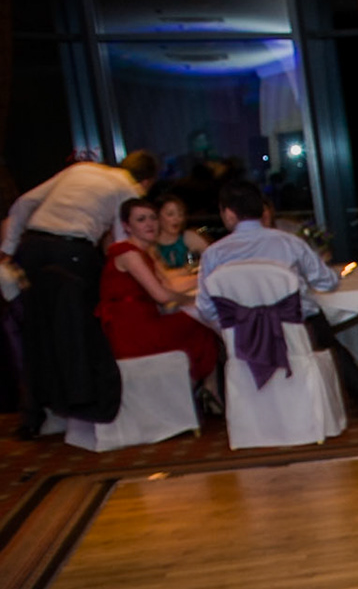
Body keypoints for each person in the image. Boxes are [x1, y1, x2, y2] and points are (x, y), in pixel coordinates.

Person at [194, 180, 358, 421]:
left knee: (221, 348)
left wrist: (237, 326)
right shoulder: (288, 242)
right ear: (262, 209)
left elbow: (205, 308)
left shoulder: (213, 254)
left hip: (244, 336)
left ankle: (239, 418)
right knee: (327, 340)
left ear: (228, 213)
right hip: (296, 329)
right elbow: (327, 283)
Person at [1, 150, 158, 431]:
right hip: (72, 253)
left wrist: (8, 250)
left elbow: (24, 203)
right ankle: (83, 403)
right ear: (145, 183)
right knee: (80, 330)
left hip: (33, 248)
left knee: (37, 331)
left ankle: (33, 415)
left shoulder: (80, 170)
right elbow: (124, 243)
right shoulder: (127, 188)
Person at [97, 198, 222, 392]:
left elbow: (167, 285)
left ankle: (197, 391)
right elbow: (161, 295)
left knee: (200, 324)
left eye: (152, 218)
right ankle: (200, 390)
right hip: (132, 331)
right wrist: (190, 299)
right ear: (126, 226)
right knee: (201, 326)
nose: (149, 224)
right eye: (141, 219)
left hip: (140, 323)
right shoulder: (128, 253)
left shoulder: (141, 252)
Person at [150, 196, 210, 271]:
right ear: (157, 216)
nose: (177, 219)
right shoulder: (152, 246)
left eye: (180, 214)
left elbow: (212, 258)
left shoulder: (189, 237)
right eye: (170, 214)